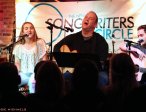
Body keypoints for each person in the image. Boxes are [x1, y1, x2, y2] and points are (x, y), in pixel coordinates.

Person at [53, 11, 109, 87]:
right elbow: (56, 47)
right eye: (86, 17)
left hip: (94, 72)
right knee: (64, 76)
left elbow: (102, 61)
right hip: (74, 71)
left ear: (95, 24)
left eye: (91, 18)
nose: (87, 19)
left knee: (103, 77)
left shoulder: (100, 41)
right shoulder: (72, 37)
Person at [13, 22, 48, 93]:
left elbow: (44, 61)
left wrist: (40, 74)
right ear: (22, 32)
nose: (29, 30)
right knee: (11, 83)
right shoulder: (18, 46)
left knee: (32, 85)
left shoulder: (40, 42)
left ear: (34, 30)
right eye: (26, 28)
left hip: (35, 73)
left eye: (31, 28)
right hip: (23, 73)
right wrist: (16, 75)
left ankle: (32, 102)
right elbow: (17, 63)